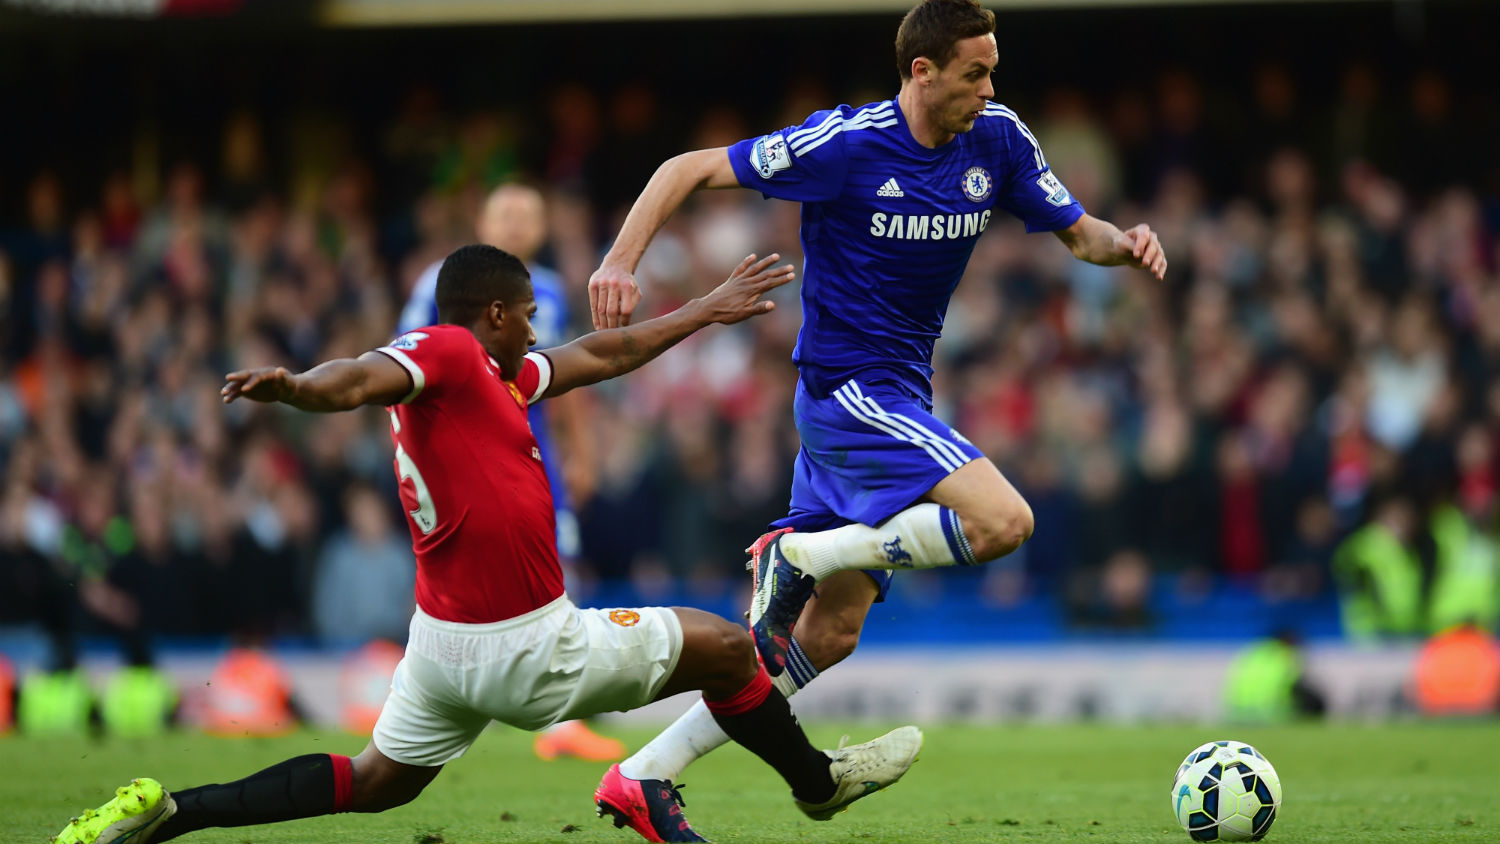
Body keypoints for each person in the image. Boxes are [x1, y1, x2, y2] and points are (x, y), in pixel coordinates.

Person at [54, 244, 922, 844]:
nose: (538, 334)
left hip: (440, 646)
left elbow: (605, 353)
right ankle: (818, 786)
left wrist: (703, 309)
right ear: (496, 313)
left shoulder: (496, 380)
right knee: (732, 650)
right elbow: (360, 375)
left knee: (375, 780)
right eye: (530, 317)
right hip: (527, 642)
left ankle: (173, 813)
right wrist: (301, 391)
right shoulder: (454, 352)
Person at [587, 0, 1166, 826]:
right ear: (922, 72)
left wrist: (1128, 241)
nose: (990, 87)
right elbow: (683, 167)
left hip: (895, 396)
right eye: (975, 72)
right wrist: (618, 261)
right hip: (848, 394)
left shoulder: (998, 138)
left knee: (831, 633)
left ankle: (644, 772)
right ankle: (803, 555)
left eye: (994, 69)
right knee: (1005, 521)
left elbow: (1080, 235)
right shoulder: (847, 145)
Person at [401, 182, 619, 762]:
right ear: (483, 220)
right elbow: (401, 368)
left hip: (534, 457)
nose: (519, 224)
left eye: (529, 214)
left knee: (558, 570)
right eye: (507, 213)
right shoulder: (439, 284)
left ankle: (560, 719)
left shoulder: (542, 289)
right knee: (458, 575)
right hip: (464, 461)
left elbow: (566, 374)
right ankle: (443, 695)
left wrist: (583, 452)